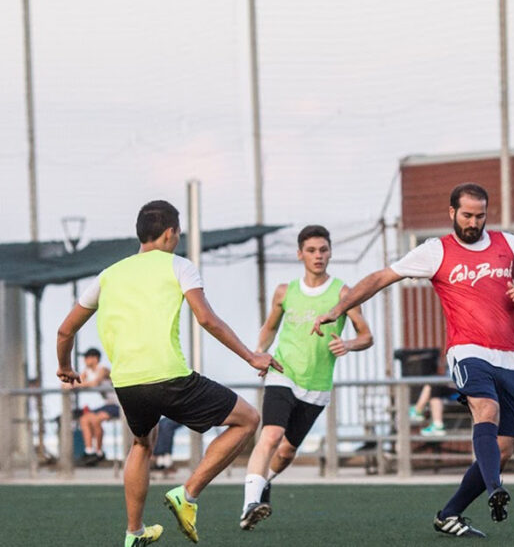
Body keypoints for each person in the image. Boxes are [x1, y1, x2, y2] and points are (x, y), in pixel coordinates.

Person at [313, 183, 514, 538]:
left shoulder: (509, 244)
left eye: (480, 215)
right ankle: (495, 488)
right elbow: (380, 278)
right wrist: (338, 308)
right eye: (466, 215)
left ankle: (450, 514)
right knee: (486, 410)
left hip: (510, 357)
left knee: (505, 446)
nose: (473, 222)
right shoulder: (436, 251)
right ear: (451, 212)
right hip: (467, 350)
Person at [56, 200, 282, 547]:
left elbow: (65, 330)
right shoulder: (180, 266)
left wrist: (65, 366)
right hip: (169, 376)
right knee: (248, 419)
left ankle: (134, 533)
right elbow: (206, 318)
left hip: (127, 382)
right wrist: (251, 356)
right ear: (171, 233)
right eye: (177, 233)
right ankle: (187, 495)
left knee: (141, 444)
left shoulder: (108, 275)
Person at [240, 225, 373, 531]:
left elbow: (366, 336)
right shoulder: (285, 291)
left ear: (330, 253)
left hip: (317, 385)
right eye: (311, 250)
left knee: (286, 451)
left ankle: (265, 482)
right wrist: (260, 351)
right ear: (300, 254)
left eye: (323, 250)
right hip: (282, 373)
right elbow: (270, 327)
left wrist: (348, 344)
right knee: (271, 435)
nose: (318, 256)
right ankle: (249, 503)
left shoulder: (343, 293)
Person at [66, 347, 118, 466]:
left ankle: (99, 451)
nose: (85, 360)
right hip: (107, 405)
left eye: (87, 357)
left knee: (95, 419)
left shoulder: (103, 369)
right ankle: (89, 451)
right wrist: (69, 384)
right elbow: (76, 382)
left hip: (117, 405)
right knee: (84, 419)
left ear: (95, 358)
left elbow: (95, 382)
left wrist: (77, 385)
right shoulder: (87, 371)